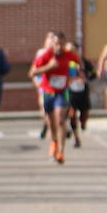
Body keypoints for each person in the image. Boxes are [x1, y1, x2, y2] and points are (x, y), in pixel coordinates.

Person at [29, 31, 79, 164]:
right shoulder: (46, 55)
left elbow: (78, 66)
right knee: (51, 123)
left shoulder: (70, 55)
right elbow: (32, 73)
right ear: (53, 43)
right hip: (48, 92)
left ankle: (61, 152)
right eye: (57, 44)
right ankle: (54, 142)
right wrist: (48, 67)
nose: (59, 47)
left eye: (62, 44)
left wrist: (76, 74)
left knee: (61, 120)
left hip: (62, 92)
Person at [66, 41, 95, 147]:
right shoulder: (65, 62)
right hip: (71, 92)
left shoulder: (84, 62)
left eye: (73, 50)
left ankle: (83, 123)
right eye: (68, 50)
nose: (71, 52)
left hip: (83, 92)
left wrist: (85, 78)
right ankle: (76, 138)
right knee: (72, 115)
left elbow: (94, 74)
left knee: (85, 114)